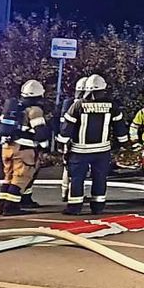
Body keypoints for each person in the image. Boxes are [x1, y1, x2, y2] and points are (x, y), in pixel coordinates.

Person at [57, 74, 127, 215]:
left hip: (79, 151)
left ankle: (75, 207)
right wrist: (123, 144)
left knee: (77, 178)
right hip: (102, 151)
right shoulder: (112, 106)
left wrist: (61, 145)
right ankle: (98, 206)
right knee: (100, 178)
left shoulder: (77, 105)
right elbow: (120, 128)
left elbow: (66, 129)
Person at [0, 80, 52, 216]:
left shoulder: (12, 109)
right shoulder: (35, 111)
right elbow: (41, 132)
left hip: (7, 147)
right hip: (23, 149)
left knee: (9, 177)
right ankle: (11, 208)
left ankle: (2, 205)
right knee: (21, 177)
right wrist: (45, 147)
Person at [59, 76, 89, 204]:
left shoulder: (68, 103)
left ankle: (65, 192)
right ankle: (72, 193)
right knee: (77, 170)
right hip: (77, 141)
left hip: (67, 140)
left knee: (68, 167)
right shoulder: (81, 105)